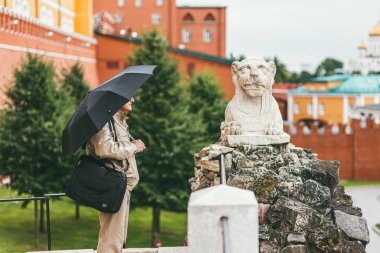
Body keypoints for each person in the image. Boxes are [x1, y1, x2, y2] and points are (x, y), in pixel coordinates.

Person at [85, 97, 145, 253]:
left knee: (116, 236)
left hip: (121, 185)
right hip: (113, 185)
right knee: (112, 237)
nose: (133, 99)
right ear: (117, 99)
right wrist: (133, 147)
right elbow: (104, 149)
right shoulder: (104, 121)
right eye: (129, 96)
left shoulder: (118, 120)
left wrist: (131, 146)